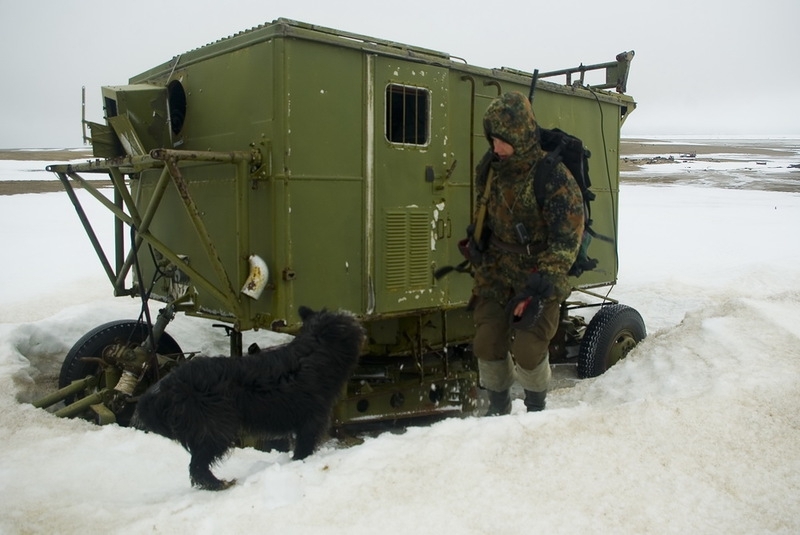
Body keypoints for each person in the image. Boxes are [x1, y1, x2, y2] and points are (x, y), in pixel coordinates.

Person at [470, 91, 584, 415]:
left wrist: (543, 280)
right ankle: (498, 409)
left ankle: (536, 409)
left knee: (529, 349)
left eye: (502, 140)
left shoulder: (552, 177)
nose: (496, 147)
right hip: (496, 267)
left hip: (538, 273)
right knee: (488, 342)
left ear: (519, 134)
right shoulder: (491, 168)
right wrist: (476, 237)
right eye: (492, 139)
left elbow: (567, 238)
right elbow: (485, 209)